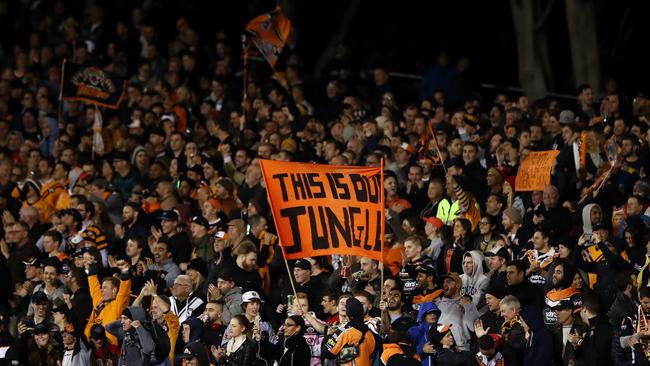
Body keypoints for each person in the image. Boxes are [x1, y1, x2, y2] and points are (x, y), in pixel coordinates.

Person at [323, 297, 377, 366]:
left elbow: (327, 353)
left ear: (348, 314)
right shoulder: (370, 334)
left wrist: (328, 336)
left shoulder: (345, 332)